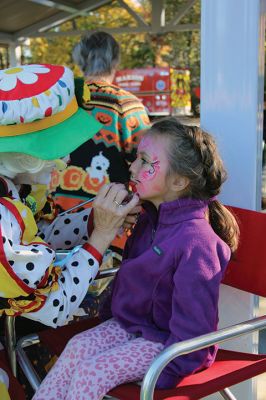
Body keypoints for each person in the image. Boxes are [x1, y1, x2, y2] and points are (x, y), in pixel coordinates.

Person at [33, 117, 239, 399]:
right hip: (132, 327)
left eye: (144, 161)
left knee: (92, 372)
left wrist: (165, 371)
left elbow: (195, 333)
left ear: (179, 181)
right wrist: (107, 324)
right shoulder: (147, 220)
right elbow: (126, 282)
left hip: (170, 345)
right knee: (76, 348)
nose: (132, 166)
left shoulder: (197, 243)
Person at [0, 63, 139, 327]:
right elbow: (55, 306)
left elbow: (40, 240)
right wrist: (102, 236)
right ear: (23, 157)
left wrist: (98, 218)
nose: (67, 157)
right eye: (58, 148)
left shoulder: (12, 188)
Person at [52, 31, 150, 223]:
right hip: (106, 217)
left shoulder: (58, 100)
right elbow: (147, 161)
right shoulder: (126, 104)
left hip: (53, 213)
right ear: (115, 61)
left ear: (79, 60)